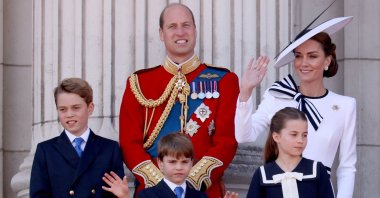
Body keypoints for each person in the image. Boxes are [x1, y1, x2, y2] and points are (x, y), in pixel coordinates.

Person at [119, 3, 239, 197]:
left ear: (195, 30)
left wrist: (190, 183)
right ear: (161, 33)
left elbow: (227, 141)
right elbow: (129, 143)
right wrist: (163, 186)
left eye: (186, 25)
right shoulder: (139, 83)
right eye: (172, 26)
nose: (180, 32)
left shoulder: (224, 81)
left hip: (204, 192)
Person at [235, 16, 356, 197]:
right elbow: (243, 136)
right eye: (299, 56)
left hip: (318, 190)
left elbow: (347, 167)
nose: (303, 63)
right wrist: (245, 92)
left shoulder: (345, 106)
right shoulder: (277, 96)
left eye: (312, 56)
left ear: (327, 61)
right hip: (277, 189)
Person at [30, 78, 125, 197]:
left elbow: (116, 193)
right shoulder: (45, 150)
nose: (69, 114)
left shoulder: (110, 149)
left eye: (76, 108)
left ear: (90, 108)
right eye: (63, 109)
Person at [247, 107, 334, 198]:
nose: (300, 140)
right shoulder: (262, 174)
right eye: (294, 134)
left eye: (304, 135)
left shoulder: (317, 170)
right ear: (276, 137)